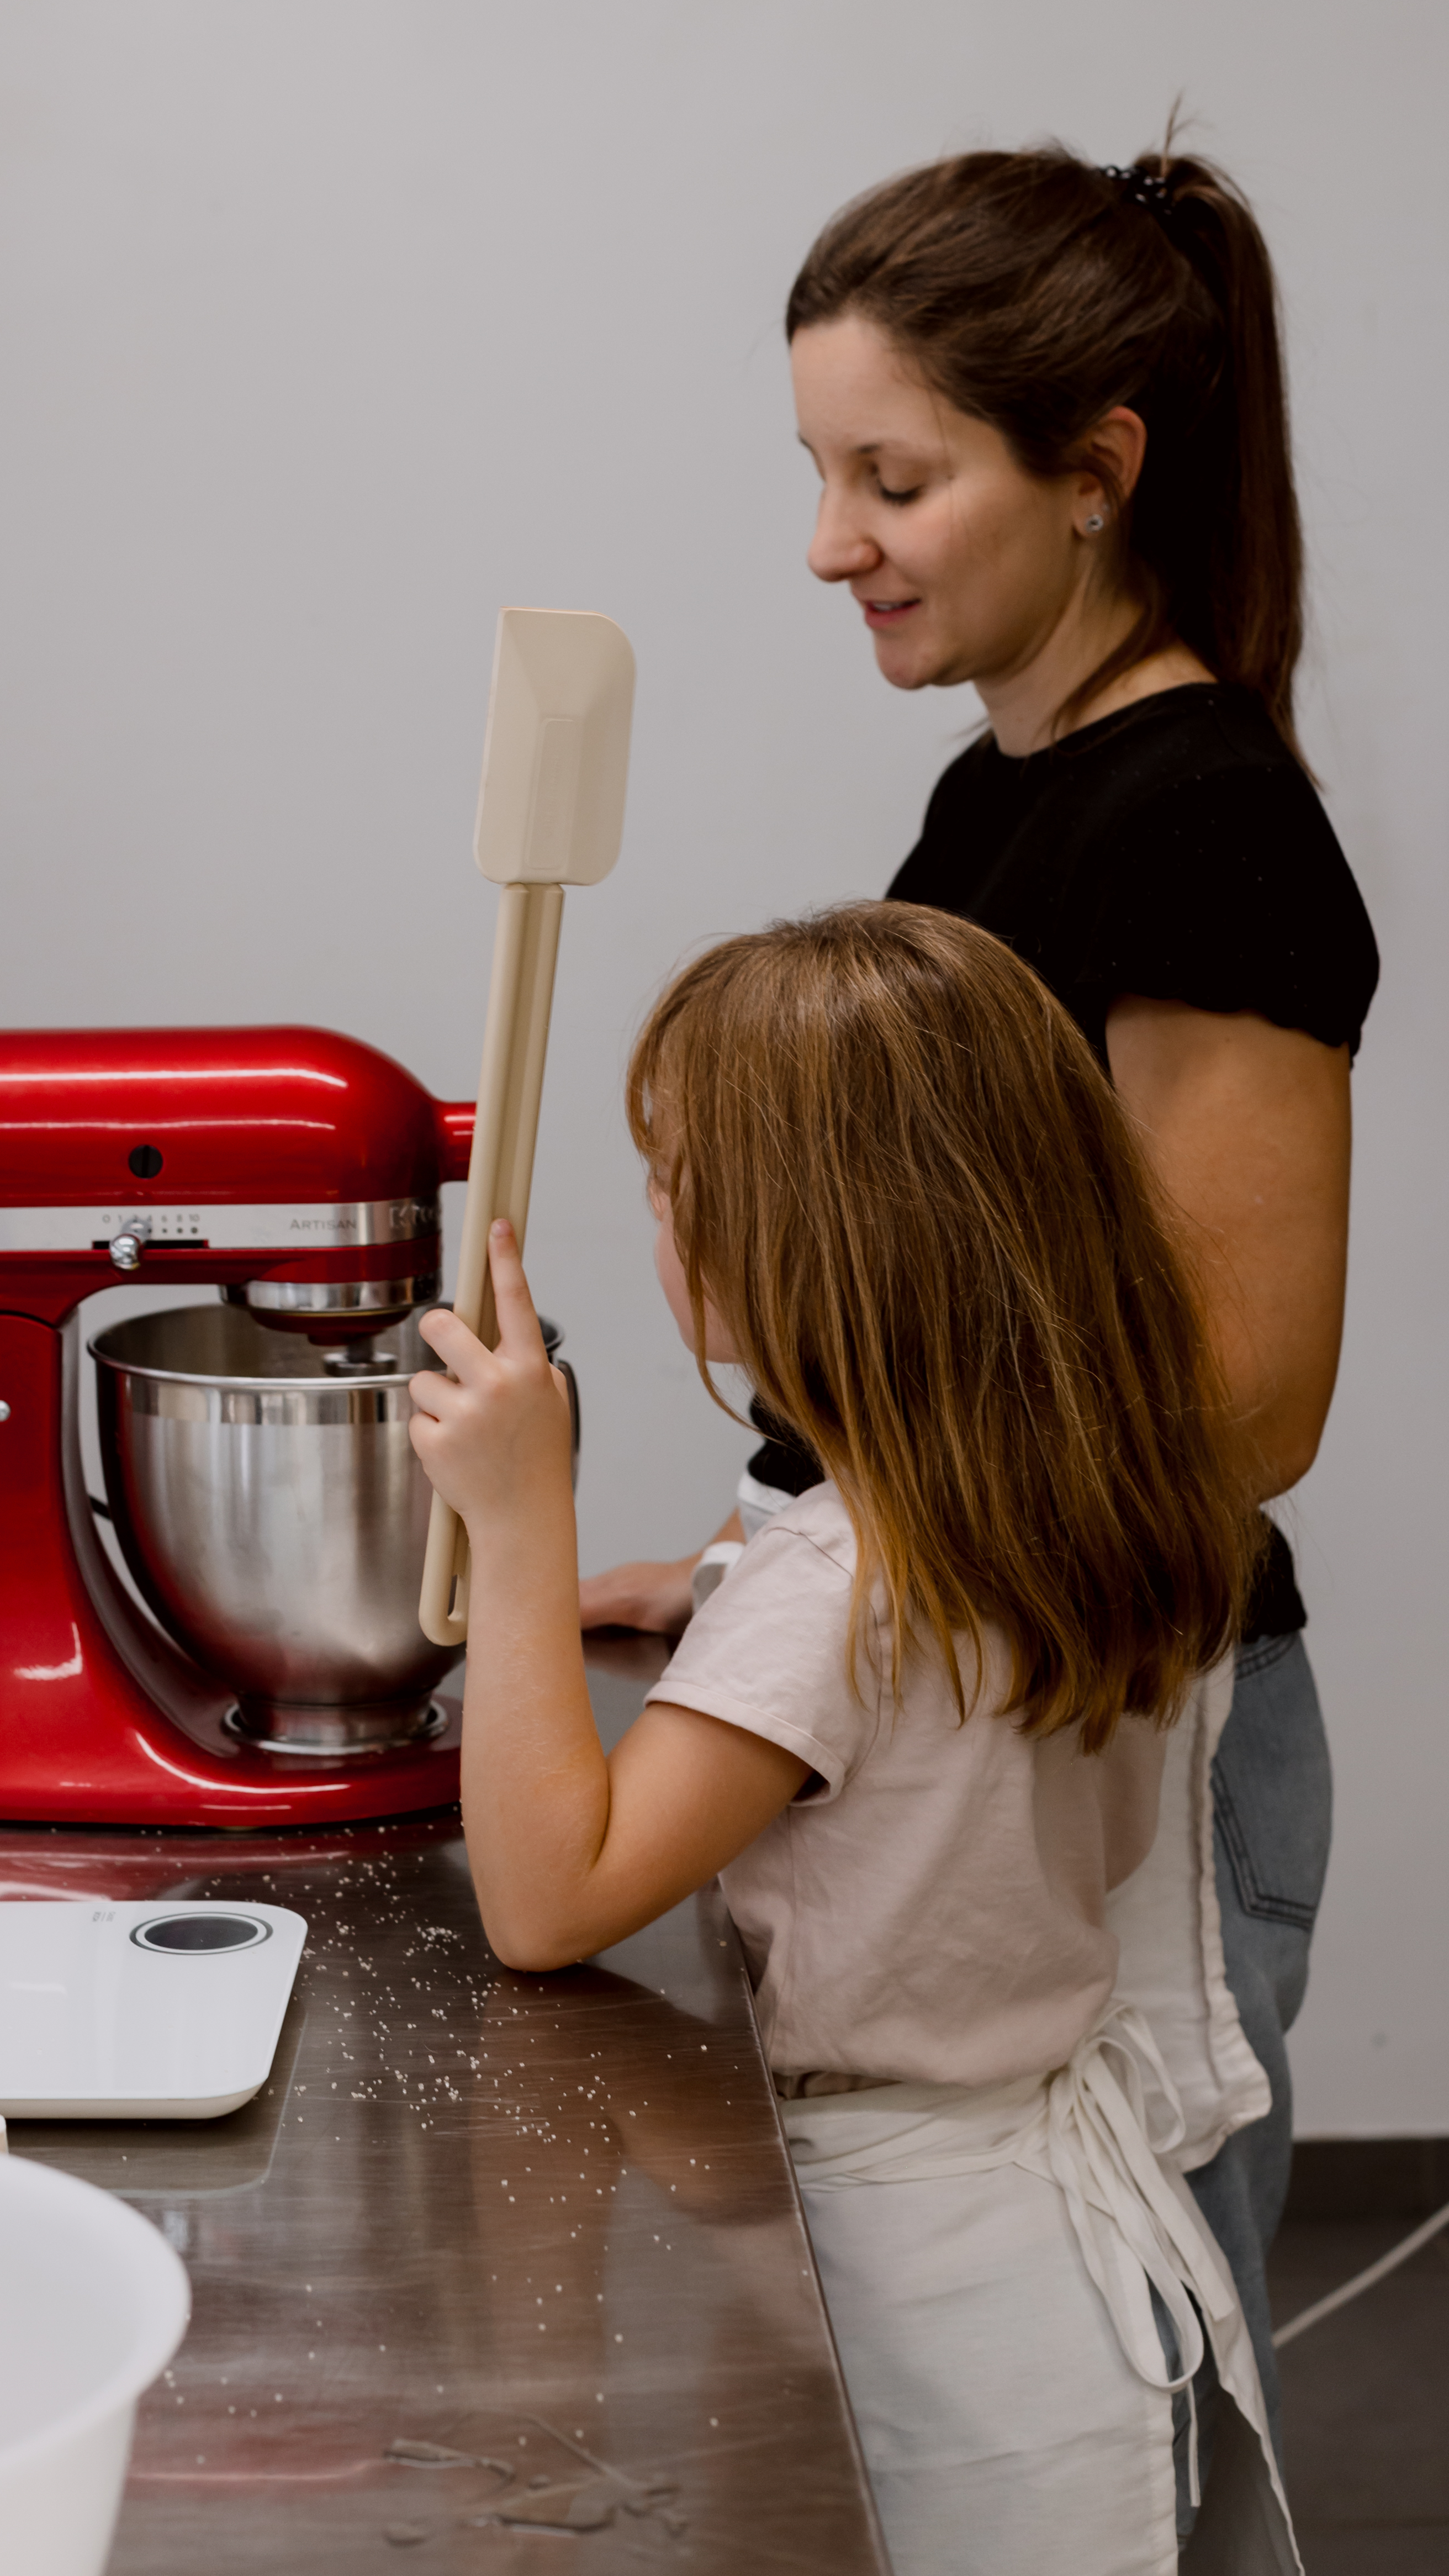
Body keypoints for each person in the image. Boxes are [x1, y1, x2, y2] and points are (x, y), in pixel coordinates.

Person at [580, 140, 1379, 2436]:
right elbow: (969, 1303)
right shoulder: (994, 798)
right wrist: (762, 1561)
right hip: (1008, 1693)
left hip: (1141, 1735)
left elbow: (1242, 1404)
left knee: (1148, 2385)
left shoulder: (1204, 819)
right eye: (824, 472)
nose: (828, 540)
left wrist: (839, 1576)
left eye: (891, 479)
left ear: (1096, 471)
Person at [412, 903, 1298, 2575]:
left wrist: (521, 1529)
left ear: (806, 1239)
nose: (659, 1219)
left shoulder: (838, 1583)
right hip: (1032, 2221)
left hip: (912, 2265)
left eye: (675, 1186)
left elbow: (549, 1900)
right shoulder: (1071, 1494)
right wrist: (710, 1588)